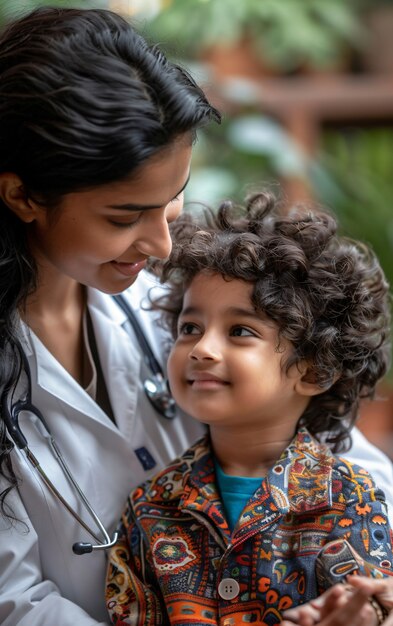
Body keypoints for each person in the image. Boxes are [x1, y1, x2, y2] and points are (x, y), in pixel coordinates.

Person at [0, 6, 221, 626]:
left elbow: (342, 458)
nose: (162, 245)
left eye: (172, 197)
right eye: (124, 217)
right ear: (21, 195)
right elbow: (15, 605)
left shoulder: (166, 303)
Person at [106, 191, 393, 626]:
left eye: (239, 330)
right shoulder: (147, 508)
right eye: (190, 327)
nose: (202, 348)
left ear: (313, 372)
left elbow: (370, 606)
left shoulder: (352, 499)